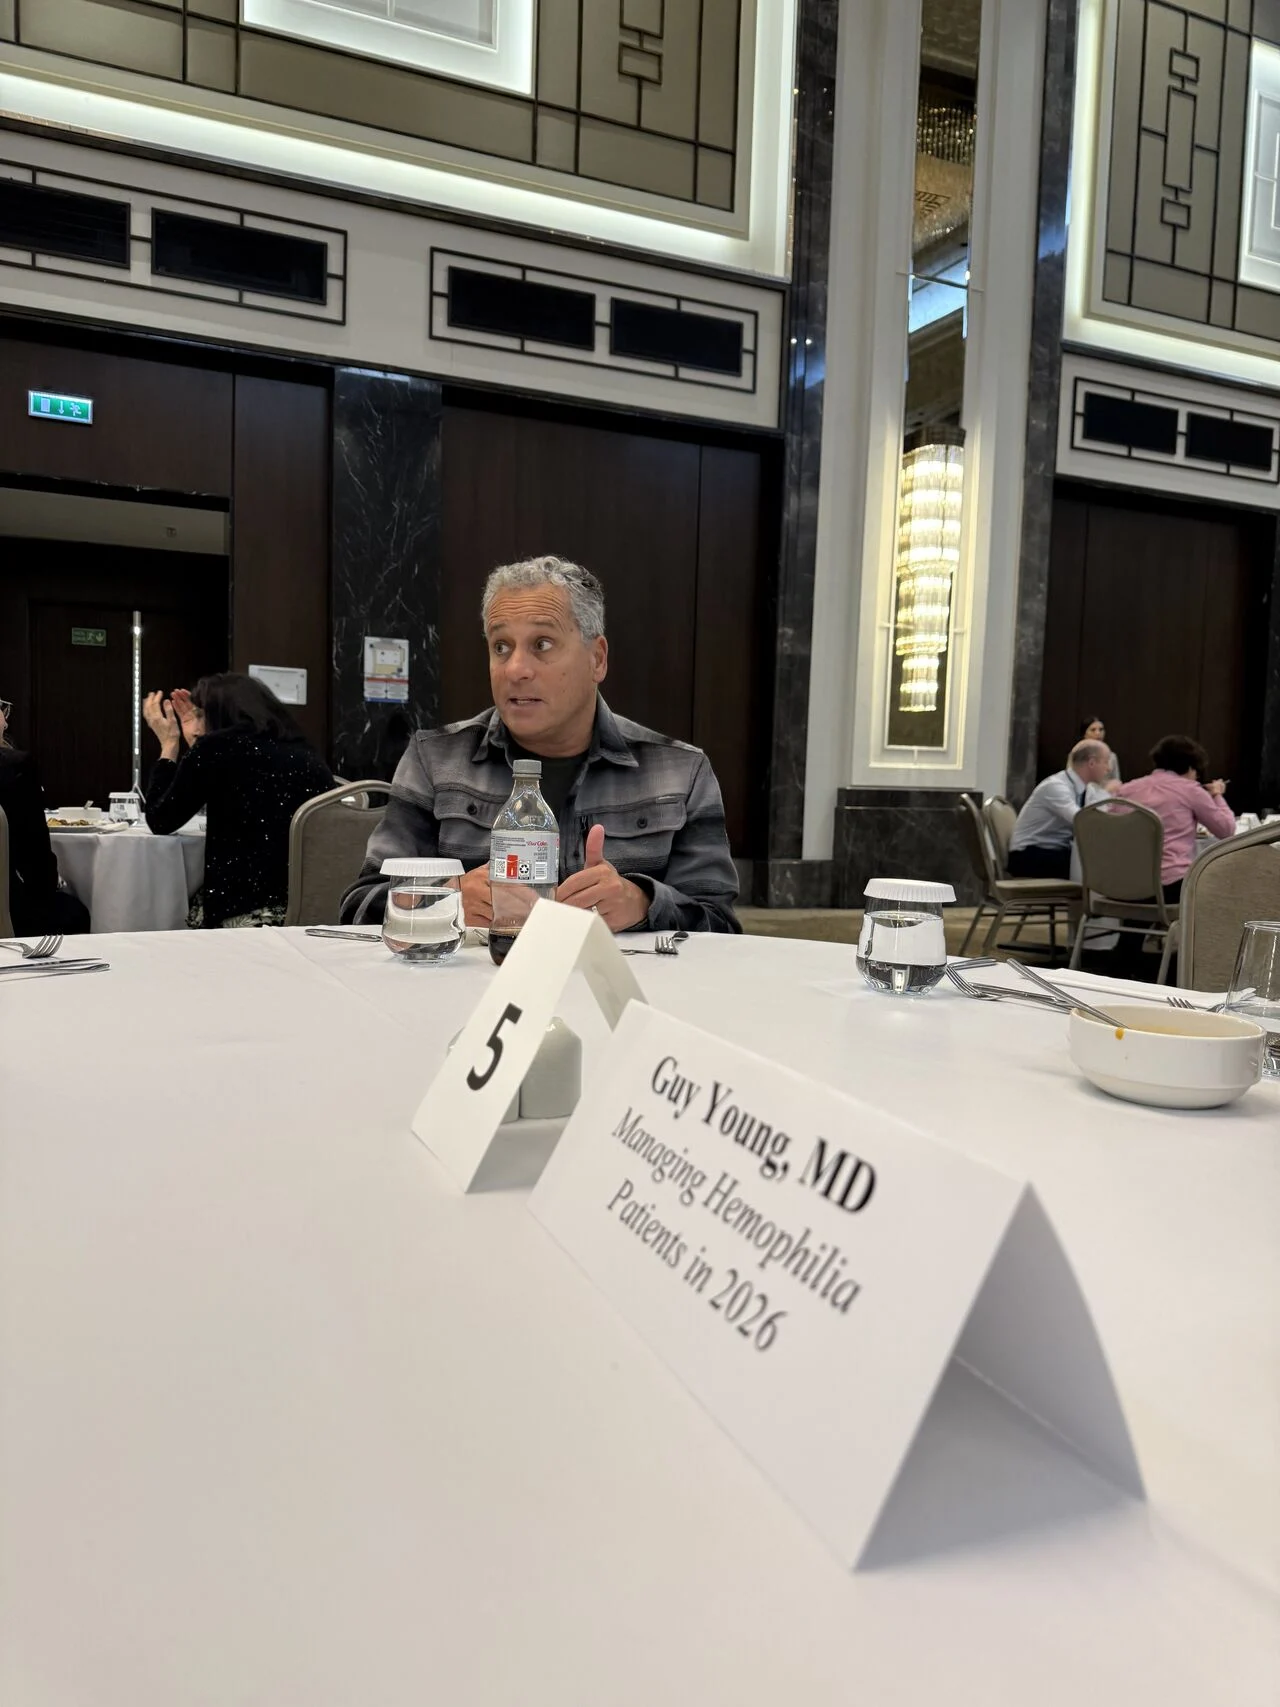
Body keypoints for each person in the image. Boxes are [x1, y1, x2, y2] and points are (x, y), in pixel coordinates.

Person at [342, 555, 740, 933]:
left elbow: (721, 926)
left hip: (613, 981)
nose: (515, 669)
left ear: (597, 659)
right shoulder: (437, 760)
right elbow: (358, 907)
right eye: (501, 647)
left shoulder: (679, 774)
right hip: (477, 980)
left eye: (542, 645)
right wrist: (446, 899)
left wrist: (642, 904)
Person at [142, 673, 334, 928]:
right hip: (311, 909)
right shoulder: (306, 753)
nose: (197, 725)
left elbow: (160, 819)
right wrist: (198, 746)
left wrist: (170, 745)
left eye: (201, 715)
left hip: (239, 910)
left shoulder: (216, 749)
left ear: (218, 714)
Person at [0, 697, 91, 936]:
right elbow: (35, 858)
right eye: (2, 711)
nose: (6, 723)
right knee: (73, 913)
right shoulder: (14, 766)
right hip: (10, 910)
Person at [1113, 734, 1235, 898]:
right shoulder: (1191, 790)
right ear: (1191, 768)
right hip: (1167, 887)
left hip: (1119, 885)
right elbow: (1226, 830)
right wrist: (1217, 794)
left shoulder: (1126, 790)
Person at [1006, 739, 1116, 879]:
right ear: (1092, 762)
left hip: (1054, 851)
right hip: (1029, 855)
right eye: (1106, 762)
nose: (1109, 769)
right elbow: (1082, 822)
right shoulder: (1056, 787)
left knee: (1102, 863)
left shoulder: (1087, 789)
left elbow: (1102, 814)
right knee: (1098, 866)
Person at [1080, 716, 1121, 784]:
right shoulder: (1076, 755)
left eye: (1101, 729)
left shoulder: (1111, 756)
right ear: (1084, 734)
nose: (1098, 733)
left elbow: (1116, 782)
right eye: (1093, 730)